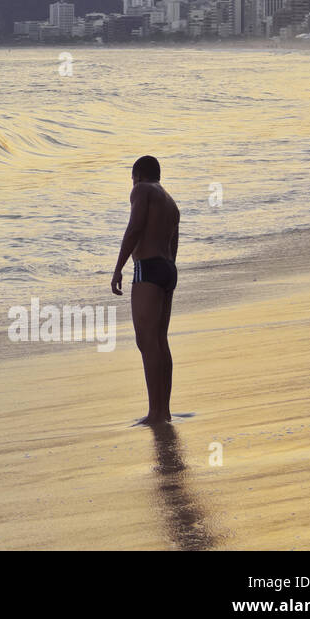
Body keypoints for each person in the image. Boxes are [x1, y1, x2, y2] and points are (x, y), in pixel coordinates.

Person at [111, 156, 180, 425]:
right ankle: (164, 411)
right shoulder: (171, 203)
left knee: (147, 342)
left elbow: (135, 228)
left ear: (137, 175)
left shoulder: (141, 190)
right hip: (168, 270)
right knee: (160, 341)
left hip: (148, 269)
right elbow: (173, 245)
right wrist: (168, 274)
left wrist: (119, 267)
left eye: (132, 179)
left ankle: (155, 413)